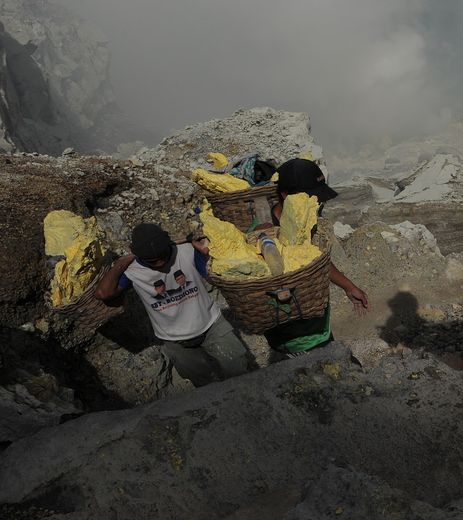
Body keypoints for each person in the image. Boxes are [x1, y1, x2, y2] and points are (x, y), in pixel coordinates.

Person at [95, 223, 251, 386]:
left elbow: (213, 278)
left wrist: (206, 256)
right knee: (204, 384)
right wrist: (122, 262)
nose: (160, 263)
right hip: (175, 339)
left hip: (211, 324)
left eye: (163, 256)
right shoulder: (132, 271)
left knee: (240, 371)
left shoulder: (187, 251)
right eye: (152, 261)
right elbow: (103, 293)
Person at [260, 158, 370, 357]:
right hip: (297, 341)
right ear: (285, 195)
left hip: (318, 332)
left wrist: (348, 286)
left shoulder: (302, 222)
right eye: (309, 198)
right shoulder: (264, 235)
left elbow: (315, 262)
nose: (316, 204)